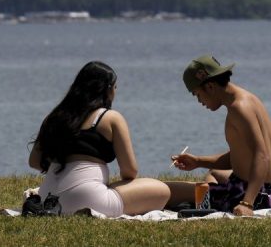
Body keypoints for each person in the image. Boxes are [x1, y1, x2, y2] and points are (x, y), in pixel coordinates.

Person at [29, 61, 169, 216]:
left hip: (47, 198)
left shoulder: (54, 117)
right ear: (107, 89)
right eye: (115, 88)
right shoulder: (110, 117)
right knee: (161, 190)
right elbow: (130, 171)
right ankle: (84, 209)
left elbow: (34, 162)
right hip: (88, 198)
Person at [167, 55, 271, 215]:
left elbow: (262, 155)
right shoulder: (248, 98)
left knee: (169, 190)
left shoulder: (239, 108)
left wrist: (246, 203)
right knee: (213, 173)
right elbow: (242, 155)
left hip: (256, 197)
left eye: (197, 95)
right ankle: (206, 202)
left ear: (210, 86)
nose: (199, 101)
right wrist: (198, 161)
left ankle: (204, 205)